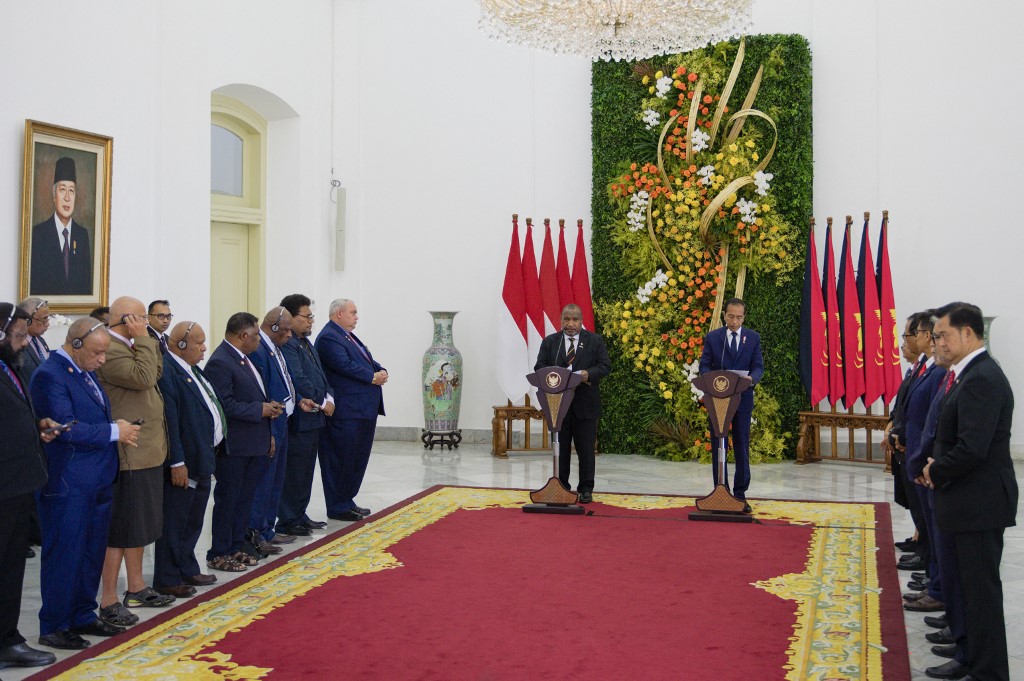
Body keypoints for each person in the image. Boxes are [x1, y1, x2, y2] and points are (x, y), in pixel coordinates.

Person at [29, 318, 140, 650]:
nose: (102, 360)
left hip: (97, 478)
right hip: (69, 481)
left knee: (91, 552)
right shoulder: (50, 376)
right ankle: (55, 624)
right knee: (66, 553)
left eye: (105, 353)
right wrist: (114, 431)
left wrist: (114, 426)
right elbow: (64, 428)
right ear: (75, 344)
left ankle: (82, 614)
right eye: (97, 353)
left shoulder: (84, 370)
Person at [922, 302, 1017, 681]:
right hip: (966, 502)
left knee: (981, 597)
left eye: (943, 335)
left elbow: (973, 447)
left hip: (979, 505)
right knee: (967, 592)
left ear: (968, 333)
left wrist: (935, 469)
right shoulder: (968, 375)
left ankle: (989, 672)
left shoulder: (981, 378)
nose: (938, 342)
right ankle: (971, 658)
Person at [94, 296, 173, 621]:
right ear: (127, 320)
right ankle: (109, 597)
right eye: (141, 318)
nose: (147, 324)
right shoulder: (110, 350)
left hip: (148, 450)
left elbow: (155, 371)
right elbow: (142, 378)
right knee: (121, 529)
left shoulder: (135, 344)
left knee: (140, 526)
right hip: (128, 453)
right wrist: (142, 339)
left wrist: (143, 341)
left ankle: (137, 587)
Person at [0, 303, 58, 670]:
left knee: (10, 567)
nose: (23, 344)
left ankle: (8, 637)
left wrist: (37, 426)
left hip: (18, 483)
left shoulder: (9, 364)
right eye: (18, 336)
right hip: (4, 484)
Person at [204, 312, 283, 572]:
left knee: (244, 499)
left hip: (253, 442)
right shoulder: (220, 362)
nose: (260, 339)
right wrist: (258, 410)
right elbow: (223, 404)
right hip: (235, 446)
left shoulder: (244, 359)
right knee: (229, 500)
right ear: (242, 336)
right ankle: (220, 551)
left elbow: (253, 395)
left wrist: (266, 417)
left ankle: (236, 546)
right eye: (256, 334)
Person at [153, 321, 223, 598]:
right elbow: (171, 421)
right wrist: (176, 462)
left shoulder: (192, 370)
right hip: (185, 461)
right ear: (181, 345)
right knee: (175, 521)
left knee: (193, 520)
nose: (204, 347)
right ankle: (167, 576)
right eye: (199, 342)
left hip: (202, 457)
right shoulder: (168, 372)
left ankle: (186, 566)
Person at [247, 307, 313, 555]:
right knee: (264, 481)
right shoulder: (259, 349)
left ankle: (268, 528)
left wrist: (298, 400)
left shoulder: (275, 347)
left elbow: (284, 380)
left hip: (283, 419)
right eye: (285, 330)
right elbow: (263, 389)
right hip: (270, 422)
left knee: (276, 481)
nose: (289, 335)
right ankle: (258, 531)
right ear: (274, 327)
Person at [316, 299, 387, 521]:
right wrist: (371, 377)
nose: (356, 317)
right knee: (341, 457)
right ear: (339, 314)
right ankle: (337, 505)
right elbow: (343, 364)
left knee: (356, 458)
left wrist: (379, 369)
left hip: (362, 410)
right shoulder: (329, 337)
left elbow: (364, 359)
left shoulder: (347, 336)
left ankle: (347, 499)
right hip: (346, 411)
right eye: (353, 312)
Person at [533, 303, 611, 503]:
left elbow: (604, 366)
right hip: (558, 405)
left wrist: (586, 374)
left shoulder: (594, 341)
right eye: (566, 319)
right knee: (562, 449)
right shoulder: (551, 342)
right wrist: (554, 376)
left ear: (581, 321)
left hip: (585, 405)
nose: (570, 324)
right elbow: (539, 366)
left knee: (586, 450)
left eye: (575, 319)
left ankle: (585, 489)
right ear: (560, 320)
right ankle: (562, 486)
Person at [698, 297, 764, 513]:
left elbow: (758, 367)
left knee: (742, 446)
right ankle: (721, 490)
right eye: (731, 316)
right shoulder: (713, 338)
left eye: (739, 317)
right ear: (724, 315)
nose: (734, 321)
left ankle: (740, 495)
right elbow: (705, 365)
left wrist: (750, 380)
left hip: (742, 400)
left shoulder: (752, 338)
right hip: (718, 401)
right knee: (720, 445)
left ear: (744, 317)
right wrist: (712, 381)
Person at [276, 294, 334, 536]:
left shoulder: (306, 342)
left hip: (315, 416)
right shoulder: (289, 344)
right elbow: (297, 379)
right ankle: (289, 518)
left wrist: (329, 397)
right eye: (306, 316)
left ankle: (300, 513)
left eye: (312, 316)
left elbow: (320, 376)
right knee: (295, 470)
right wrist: (322, 402)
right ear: (290, 317)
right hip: (301, 417)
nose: (310, 321)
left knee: (307, 469)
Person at [30, 157, 93, 295]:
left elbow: (87, 285)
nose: (67, 198)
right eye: (62, 189)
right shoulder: (38, 234)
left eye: (71, 191)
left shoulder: (82, 235)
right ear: (54, 195)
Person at [17, 298, 52, 380]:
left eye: (48, 318)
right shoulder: (16, 345)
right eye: (44, 319)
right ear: (27, 320)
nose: (47, 324)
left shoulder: (41, 340)